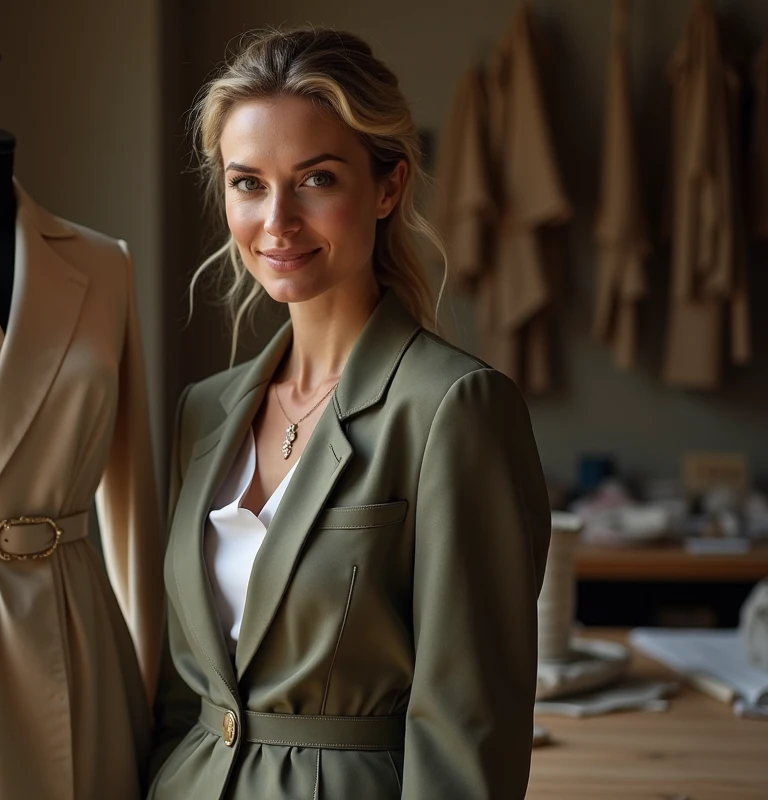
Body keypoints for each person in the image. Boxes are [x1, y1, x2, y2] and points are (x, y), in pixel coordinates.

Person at [149, 27, 551, 799]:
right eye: (248, 183)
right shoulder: (203, 413)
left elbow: (470, 728)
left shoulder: (454, 409)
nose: (277, 222)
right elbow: (183, 693)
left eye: (317, 179)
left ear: (389, 188)